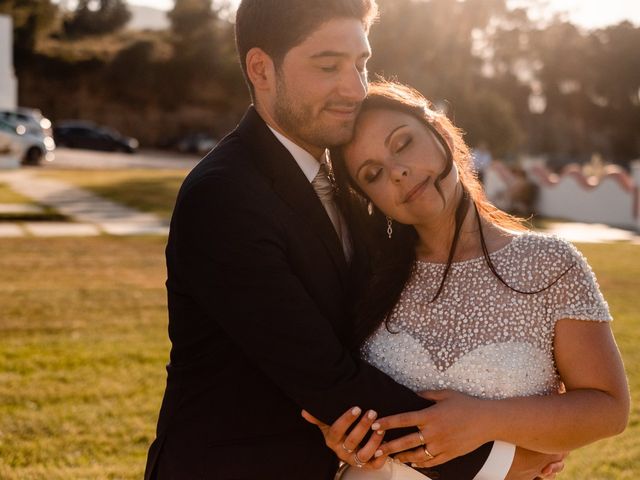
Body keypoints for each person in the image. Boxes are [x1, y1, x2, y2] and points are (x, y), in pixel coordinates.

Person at [144, 1, 568, 478]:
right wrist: (504, 463)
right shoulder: (224, 196)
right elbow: (327, 378)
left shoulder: (353, 179)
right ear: (261, 68)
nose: (355, 89)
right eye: (328, 66)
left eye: (361, 64)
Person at [302, 81, 629, 479]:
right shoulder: (365, 277)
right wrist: (342, 440)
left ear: (439, 132)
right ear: (370, 198)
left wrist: (486, 420)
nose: (399, 172)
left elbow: (608, 410)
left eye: (402, 144)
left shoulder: (551, 265)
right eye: (373, 174)